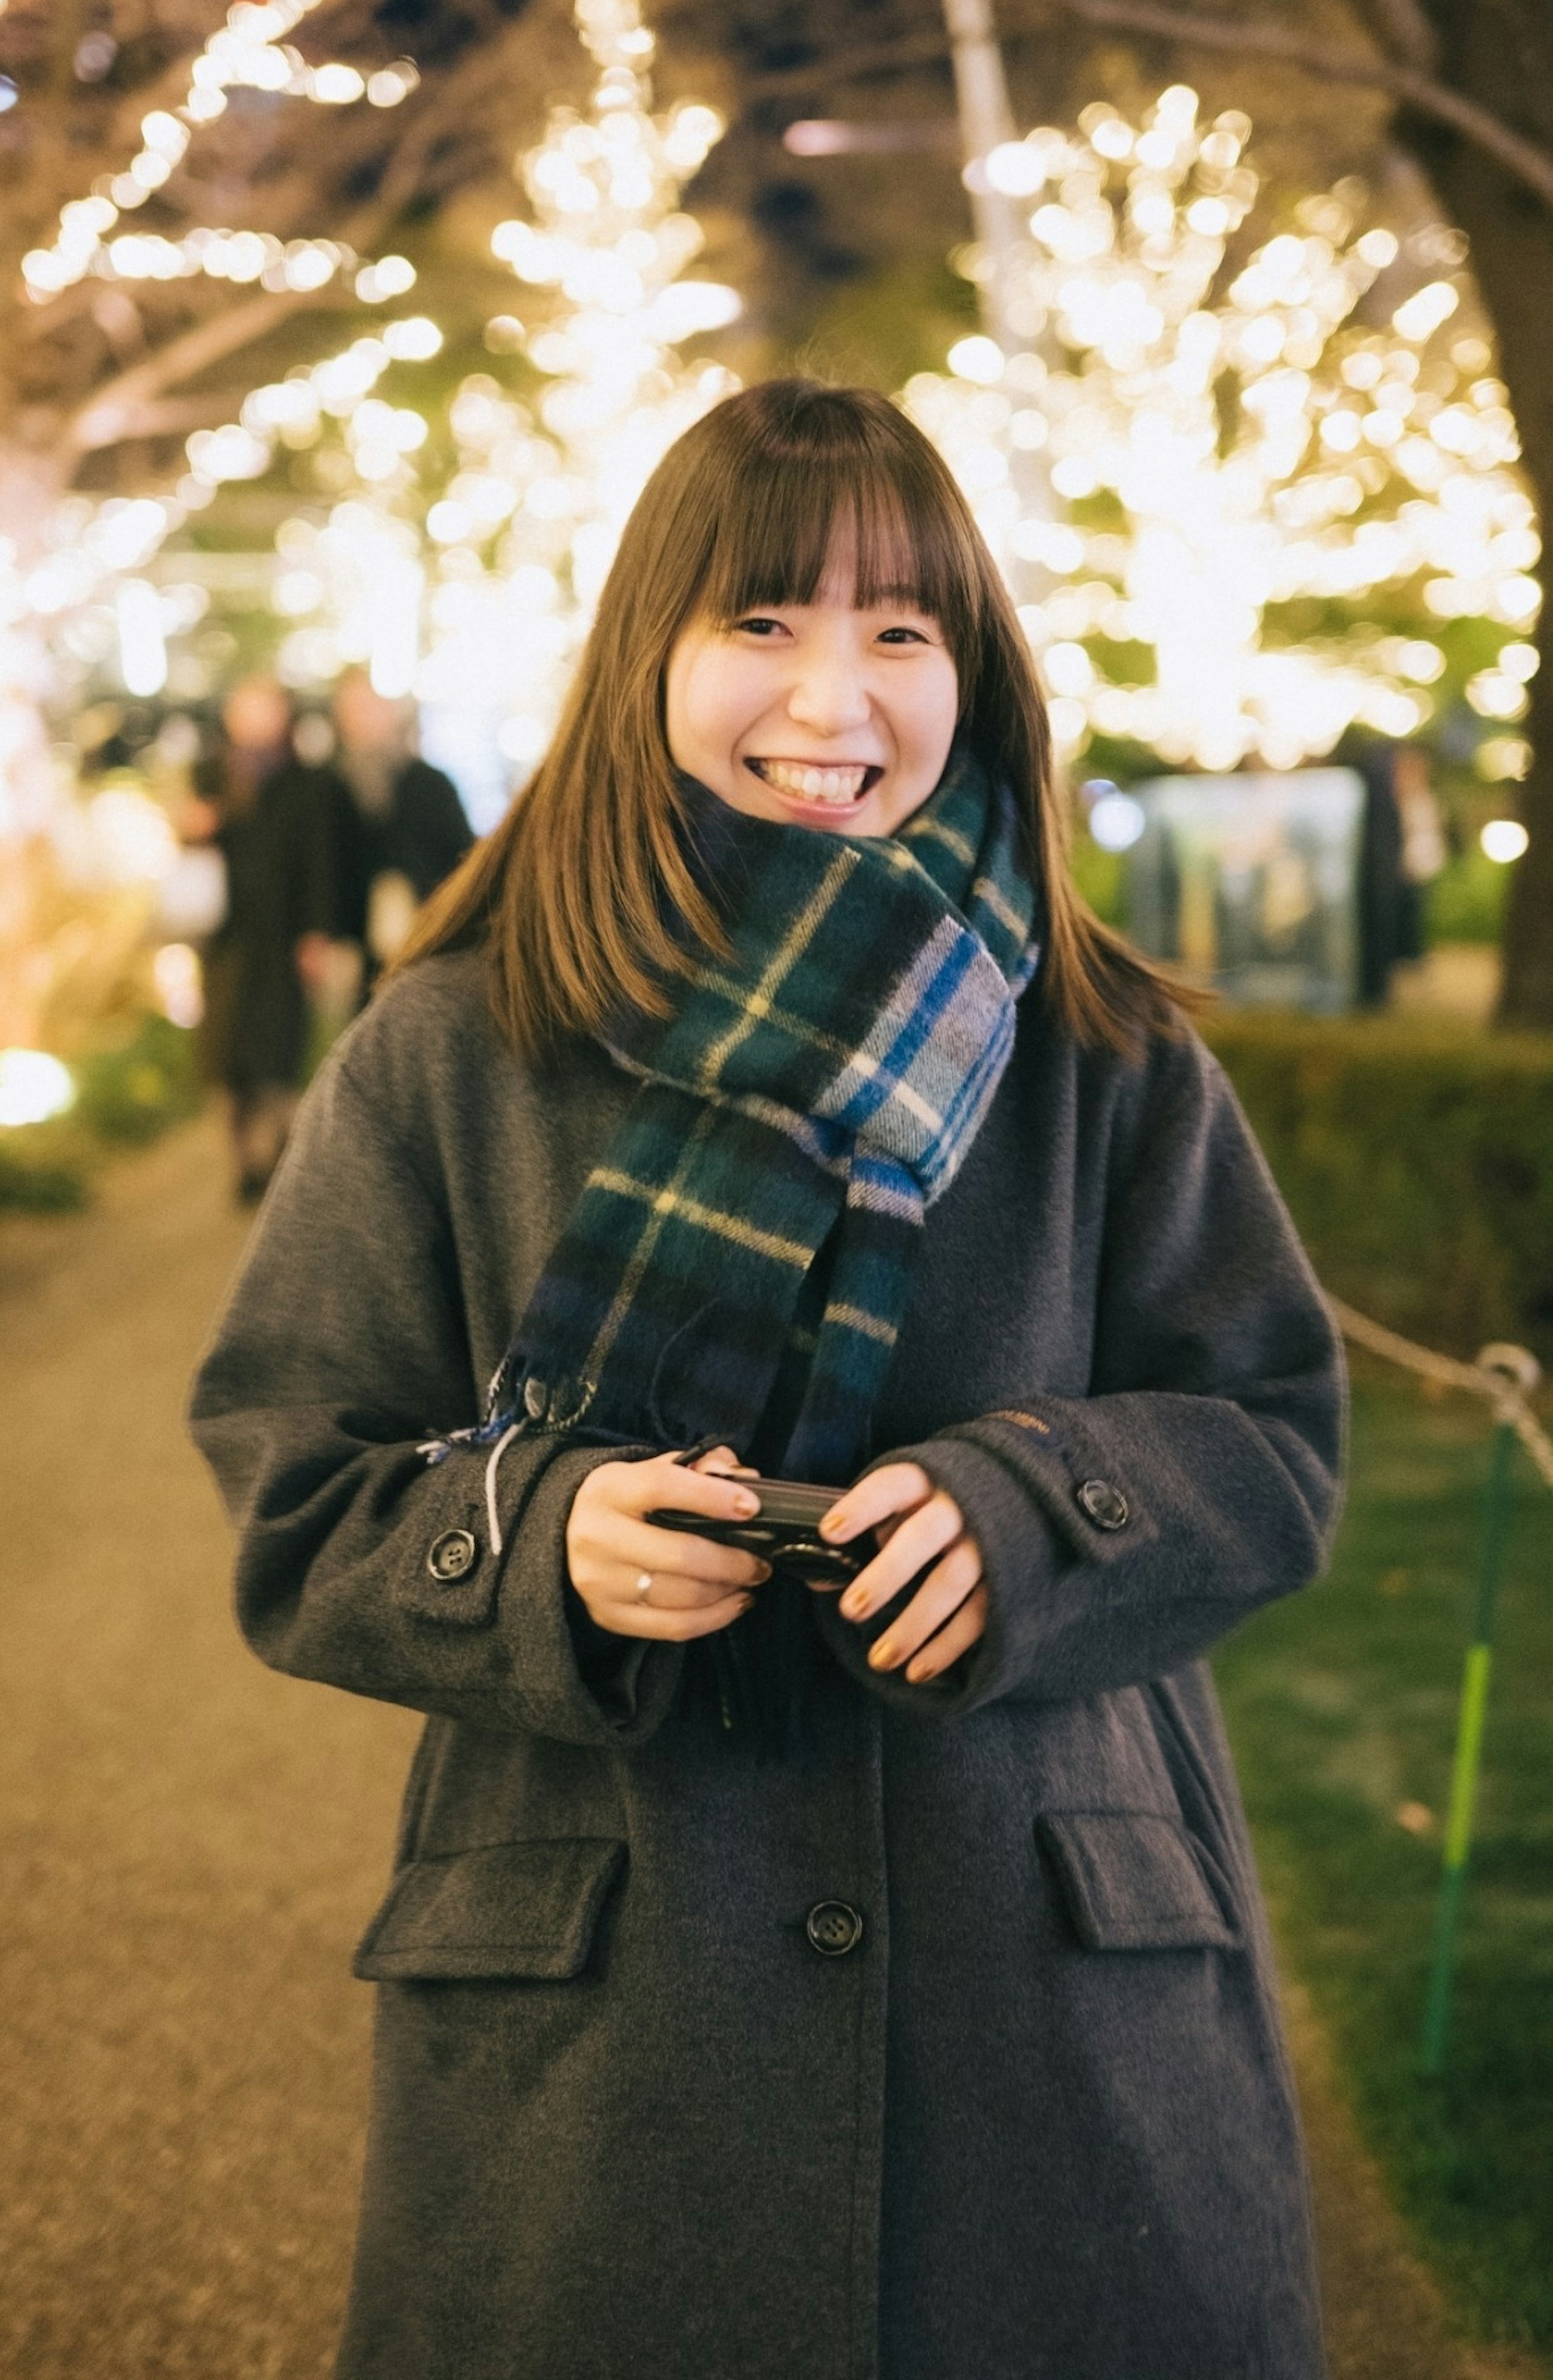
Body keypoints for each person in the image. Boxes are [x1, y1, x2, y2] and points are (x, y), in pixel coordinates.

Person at [190, 383, 1344, 2380]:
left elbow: (1274, 1437)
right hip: (614, 1999)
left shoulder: (1100, 1047)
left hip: (1050, 1993)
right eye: (761, 623)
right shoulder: (454, 1047)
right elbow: (301, 1480)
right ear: (647, 652)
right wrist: (540, 1542)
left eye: (901, 631)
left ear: (970, 672)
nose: (835, 695)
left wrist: (1034, 1514)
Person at [187, 674, 358, 1200]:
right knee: (229, 1053)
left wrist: (317, 932)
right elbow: (192, 845)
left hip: (283, 937)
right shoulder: (214, 775)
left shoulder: (307, 783)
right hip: (227, 939)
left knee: (280, 1051)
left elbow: (321, 862)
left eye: (266, 708)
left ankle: (286, 1154)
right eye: (247, 708)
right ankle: (244, 1163)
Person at [330, 665, 473, 967]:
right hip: (359, 939)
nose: (361, 719)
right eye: (352, 710)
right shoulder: (331, 786)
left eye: (369, 707)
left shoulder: (429, 783)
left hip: (426, 930)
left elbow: (462, 855)